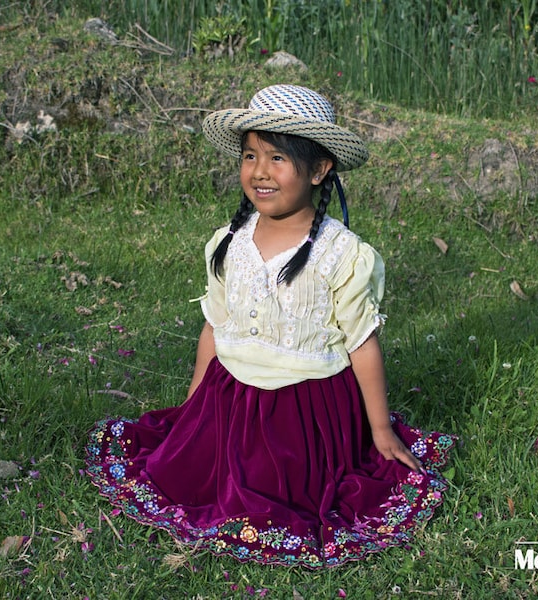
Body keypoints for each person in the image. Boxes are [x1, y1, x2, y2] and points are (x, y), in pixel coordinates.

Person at [85, 84, 455, 568]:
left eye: (277, 157)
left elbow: (362, 344)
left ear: (320, 169)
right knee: (193, 470)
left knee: (281, 491)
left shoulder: (341, 254)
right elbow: (214, 328)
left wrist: (380, 428)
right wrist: (194, 405)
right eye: (250, 155)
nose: (259, 171)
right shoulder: (228, 243)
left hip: (305, 411)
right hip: (228, 399)